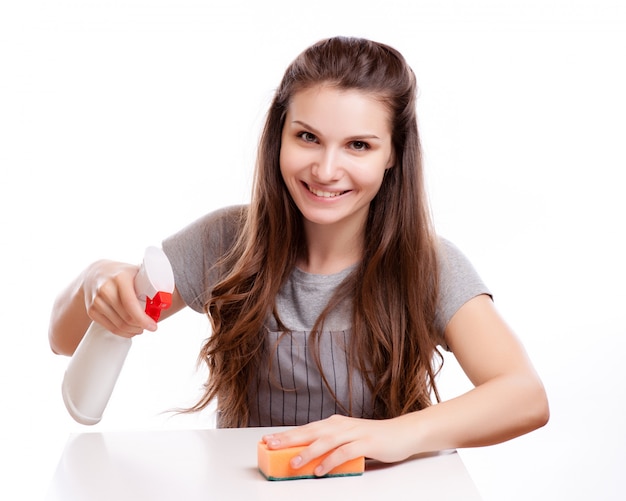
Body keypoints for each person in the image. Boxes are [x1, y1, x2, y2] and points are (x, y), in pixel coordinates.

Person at [49, 36, 549, 477]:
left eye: (358, 145)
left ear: (393, 154)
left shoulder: (426, 264)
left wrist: (393, 436)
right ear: (279, 135)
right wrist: (96, 280)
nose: (327, 169)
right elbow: (63, 339)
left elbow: (525, 396)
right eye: (307, 137)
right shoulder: (227, 242)